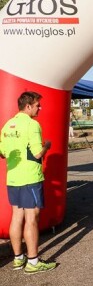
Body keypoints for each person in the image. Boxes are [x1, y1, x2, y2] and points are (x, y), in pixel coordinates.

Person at [0, 91, 57, 274]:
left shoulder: (8, 125)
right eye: (37, 105)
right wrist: (47, 145)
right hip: (30, 178)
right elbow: (38, 153)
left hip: (13, 177)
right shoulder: (32, 125)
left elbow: (2, 153)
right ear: (28, 106)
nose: (40, 108)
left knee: (17, 216)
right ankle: (33, 262)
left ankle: (18, 259)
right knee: (31, 218)